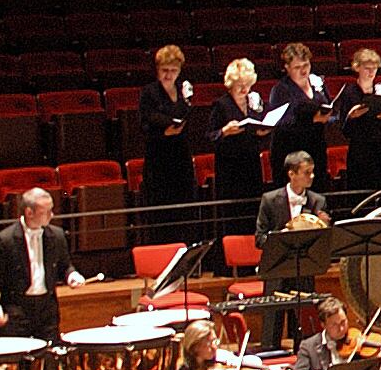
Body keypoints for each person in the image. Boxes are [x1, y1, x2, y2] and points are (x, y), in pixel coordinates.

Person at [0, 186, 82, 341]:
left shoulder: (56, 235)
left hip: (47, 310)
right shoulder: (6, 239)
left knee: (49, 360)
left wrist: (71, 274)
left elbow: (65, 265)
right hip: (16, 311)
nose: (52, 215)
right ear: (29, 213)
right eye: (46, 211)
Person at [136, 45, 204, 247]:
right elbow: (143, 123)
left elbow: (189, 115)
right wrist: (162, 132)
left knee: (184, 204)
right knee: (162, 206)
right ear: (157, 70)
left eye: (173, 70)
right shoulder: (149, 92)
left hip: (180, 153)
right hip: (158, 155)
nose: (169, 74)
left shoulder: (184, 90)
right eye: (165, 70)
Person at [210, 57, 276, 215]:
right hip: (230, 166)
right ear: (231, 85)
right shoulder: (221, 105)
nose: (244, 90)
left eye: (247, 85)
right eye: (240, 86)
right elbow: (210, 135)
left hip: (251, 162)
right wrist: (224, 131)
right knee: (234, 211)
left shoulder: (254, 101)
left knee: (253, 208)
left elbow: (260, 125)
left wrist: (263, 132)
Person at [261, 42, 330, 185]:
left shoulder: (317, 84)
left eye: (306, 65)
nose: (303, 70)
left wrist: (329, 118)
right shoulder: (281, 90)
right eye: (297, 67)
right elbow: (281, 123)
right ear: (287, 68)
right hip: (290, 151)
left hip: (316, 147)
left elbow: (329, 107)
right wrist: (312, 120)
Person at [335, 45, 381, 197]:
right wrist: (352, 117)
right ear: (357, 68)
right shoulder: (349, 92)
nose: (371, 72)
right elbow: (343, 128)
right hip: (360, 149)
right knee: (362, 191)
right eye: (367, 68)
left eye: (374, 68)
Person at [258, 149, 327, 242]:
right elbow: (260, 238)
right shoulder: (269, 200)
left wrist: (326, 226)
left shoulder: (319, 201)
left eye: (312, 171)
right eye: (307, 172)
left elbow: (324, 240)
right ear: (291, 174)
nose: (312, 176)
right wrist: (280, 238)